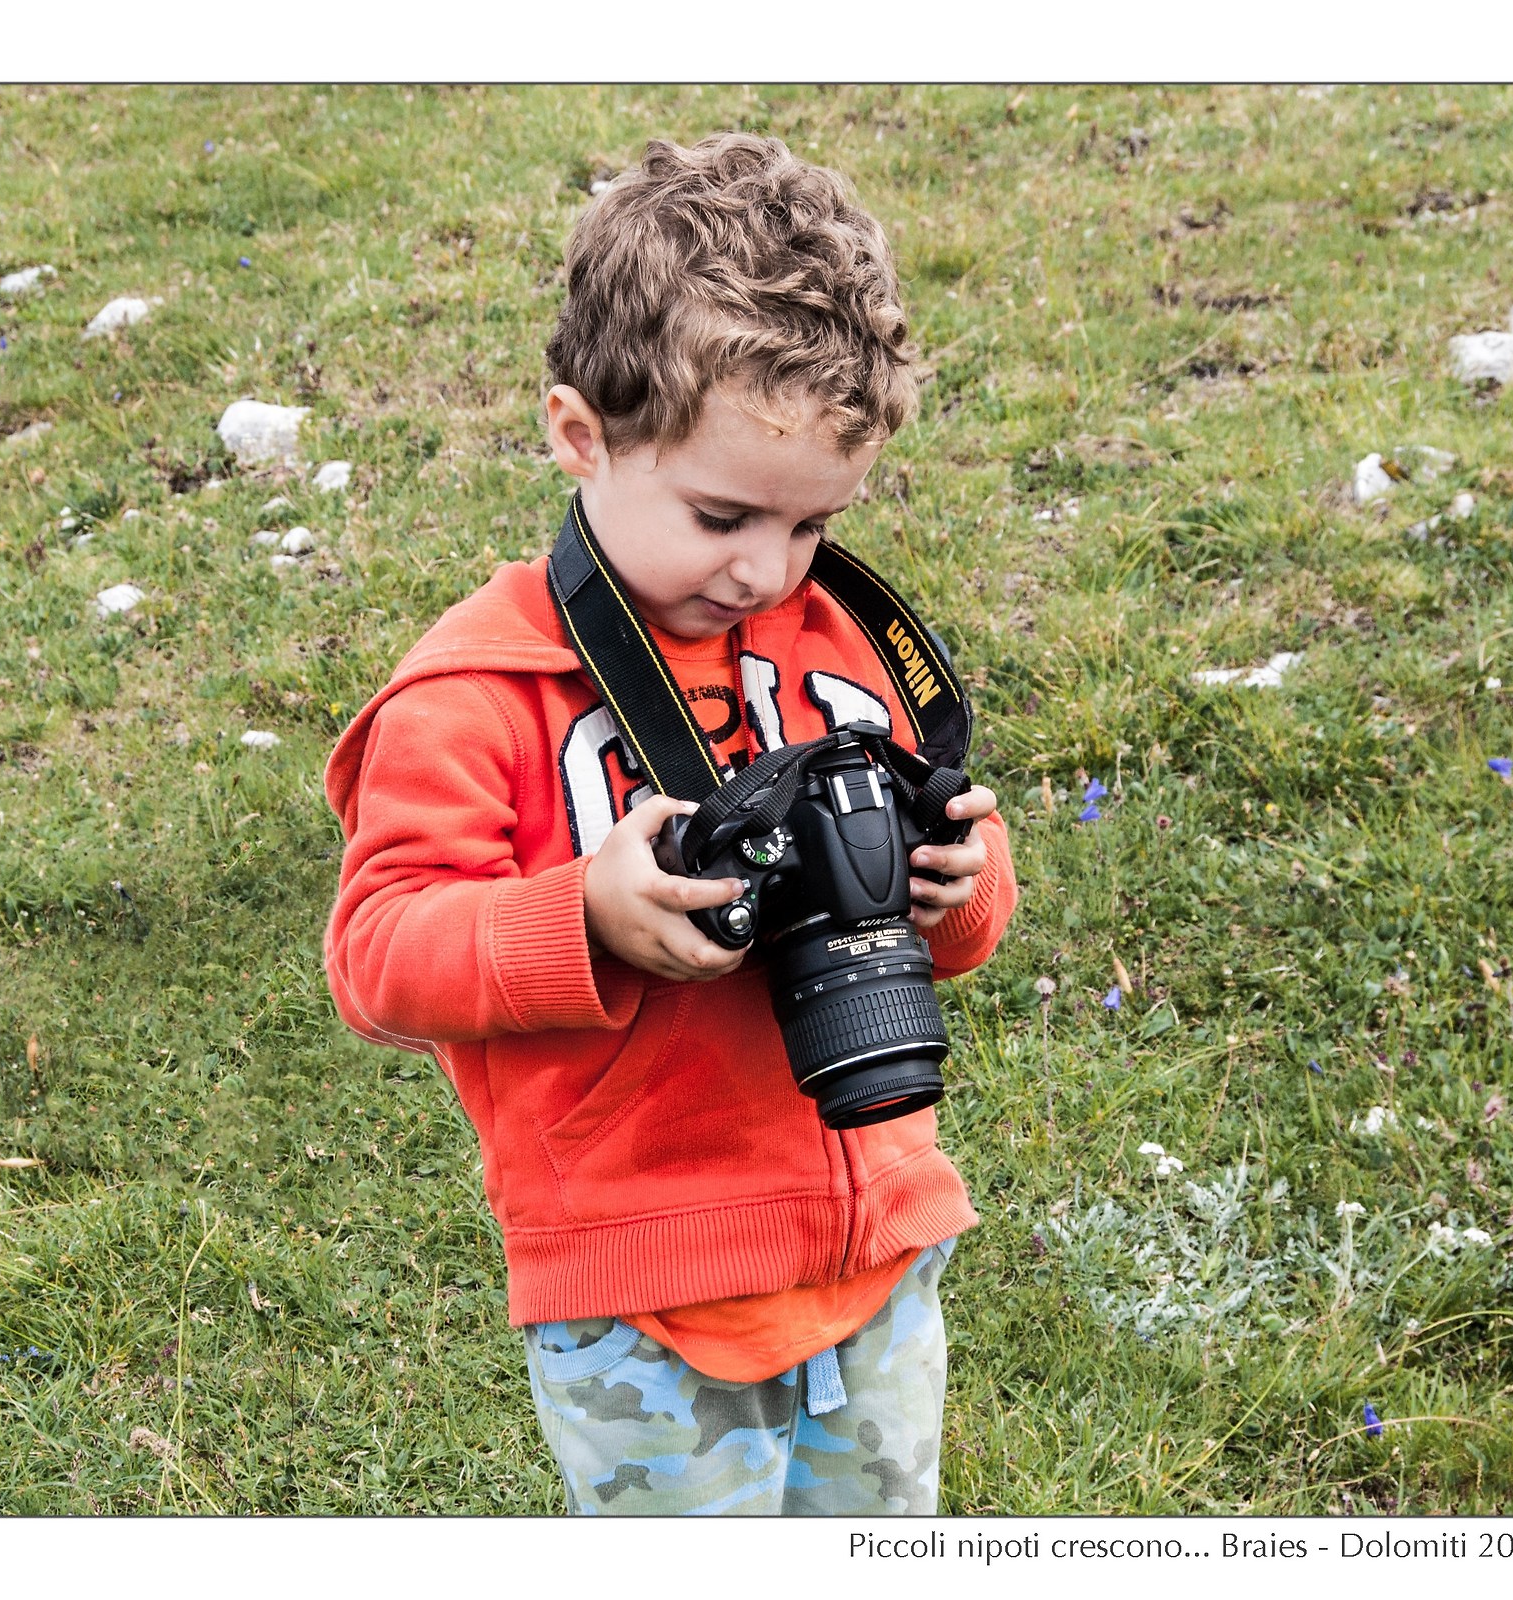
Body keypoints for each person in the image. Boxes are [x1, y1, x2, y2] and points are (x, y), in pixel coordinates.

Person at [320, 132, 1019, 1516]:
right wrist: (582, 914)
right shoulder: (478, 690)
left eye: (814, 525)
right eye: (720, 515)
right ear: (582, 434)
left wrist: (958, 877)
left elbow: (956, 931)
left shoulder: (842, 646)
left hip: (878, 1247)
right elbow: (378, 956)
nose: (765, 569)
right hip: (645, 1297)